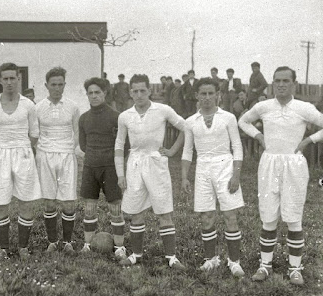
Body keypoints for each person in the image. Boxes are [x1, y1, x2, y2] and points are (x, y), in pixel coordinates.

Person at [239, 66, 323, 285]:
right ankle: (264, 265)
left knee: (293, 216)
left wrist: (308, 141)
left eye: (286, 80)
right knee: (269, 215)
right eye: (277, 80)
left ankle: (295, 268)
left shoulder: (304, 108)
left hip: (294, 165)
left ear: (294, 84)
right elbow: (243, 121)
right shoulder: (264, 106)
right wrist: (258, 136)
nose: (281, 84)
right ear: (272, 83)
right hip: (269, 163)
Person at [114, 74, 186, 269]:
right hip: (135, 165)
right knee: (136, 212)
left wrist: (171, 151)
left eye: (142, 91)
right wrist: (120, 174)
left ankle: (171, 257)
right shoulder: (125, 116)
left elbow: (185, 128)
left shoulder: (163, 110)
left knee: (164, 211)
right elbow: (119, 146)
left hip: (156, 164)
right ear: (130, 93)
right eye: (135, 91)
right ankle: (136, 255)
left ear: (150, 91)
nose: (139, 95)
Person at [181, 78, 245, 277]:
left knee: (229, 215)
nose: (207, 97)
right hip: (203, 168)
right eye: (203, 94)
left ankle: (234, 262)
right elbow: (187, 150)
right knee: (206, 215)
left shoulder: (228, 118)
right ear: (197, 96)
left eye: (211, 93)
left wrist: (236, 174)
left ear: (218, 95)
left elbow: (237, 146)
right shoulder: (190, 121)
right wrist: (184, 177)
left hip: (225, 166)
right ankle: (211, 259)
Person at [0, 62, 41, 262]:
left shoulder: (28, 105)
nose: (9, 82)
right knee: (0, 203)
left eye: (12, 78)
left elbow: (35, 134)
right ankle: (3, 249)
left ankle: (23, 247)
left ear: (18, 78)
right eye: (5, 78)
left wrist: (21, 149)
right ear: (0, 80)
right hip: (0, 156)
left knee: (26, 201)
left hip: (23, 154)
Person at [35, 67, 80, 254]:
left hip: (67, 155)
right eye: (53, 84)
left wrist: (71, 148)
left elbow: (77, 132)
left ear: (64, 85)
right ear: (46, 85)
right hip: (45, 154)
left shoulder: (72, 107)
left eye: (60, 84)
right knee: (49, 202)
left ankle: (67, 242)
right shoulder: (37, 107)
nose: (57, 88)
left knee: (69, 201)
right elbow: (33, 133)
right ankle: (52, 242)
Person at [79, 77, 126, 257]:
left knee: (115, 206)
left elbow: (124, 145)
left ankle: (120, 247)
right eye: (90, 93)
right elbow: (83, 145)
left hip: (110, 167)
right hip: (90, 167)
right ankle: (87, 244)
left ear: (105, 93)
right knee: (89, 207)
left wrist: (112, 160)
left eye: (97, 92)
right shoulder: (84, 118)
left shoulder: (116, 117)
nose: (94, 96)